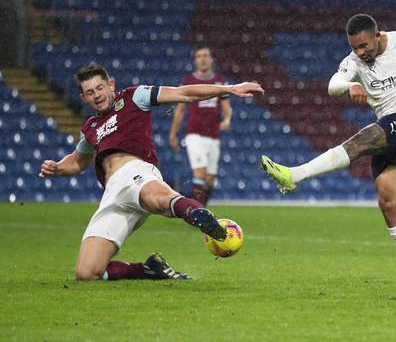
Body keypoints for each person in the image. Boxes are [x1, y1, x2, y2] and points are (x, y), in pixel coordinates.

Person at [260, 14, 396, 289]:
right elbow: (332, 85)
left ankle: (295, 175)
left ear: (377, 35)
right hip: (388, 128)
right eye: (355, 47)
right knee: (387, 202)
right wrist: (351, 84)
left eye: (364, 45)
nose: (361, 52)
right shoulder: (354, 61)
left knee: (360, 142)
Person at [39, 62, 263, 281]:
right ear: (83, 98)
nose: (96, 95)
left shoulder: (134, 97)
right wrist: (58, 167)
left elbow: (184, 94)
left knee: (158, 199)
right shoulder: (90, 128)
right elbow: (77, 162)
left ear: (111, 85)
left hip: (136, 172)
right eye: (90, 92)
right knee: (87, 272)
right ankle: (149, 269)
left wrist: (229, 89)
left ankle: (200, 215)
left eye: (100, 88)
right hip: (112, 196)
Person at [169, 45, 232, 205]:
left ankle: (202, 208)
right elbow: (180, 109)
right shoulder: (188, 82)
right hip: (194, 134)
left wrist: (226, 120)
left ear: (211, 59)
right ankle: (197, 214)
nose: (202, 59)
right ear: (195, 60)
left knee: (210, 179)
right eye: (199, 56)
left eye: (205, 55)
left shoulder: (219, 82)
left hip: (213, 135)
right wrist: (173, 134)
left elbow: (226, 107)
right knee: (200, 172)